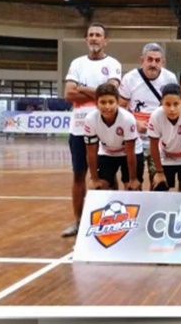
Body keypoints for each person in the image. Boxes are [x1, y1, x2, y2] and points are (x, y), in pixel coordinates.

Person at [62, 22, 122, 237]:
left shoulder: (113, 63)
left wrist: (84, 89)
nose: (95, 38)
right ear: (86, 39)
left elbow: (112, 92)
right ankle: (78, 222)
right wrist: (99, 93)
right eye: (91, 35)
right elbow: (68, 94)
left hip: (106, 128)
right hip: (78, 129)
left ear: (105, 40)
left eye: (99, 35)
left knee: (108, 176)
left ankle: (114, 220)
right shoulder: (77, 63)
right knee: (79, 175)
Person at [119, 43, 178, 188]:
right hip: (134, 139)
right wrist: (135, 122)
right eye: (149, 59)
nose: (153, 64)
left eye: (157, 61)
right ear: (142, 60)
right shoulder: (129, 78)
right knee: (132, 183)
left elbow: (175, 107)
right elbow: (120, 107)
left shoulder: (170, 78)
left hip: (159, 141)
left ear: (162, 62)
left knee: (160, 184)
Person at [83, 82, 143, 191]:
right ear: (96, 103)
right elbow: (91, 152)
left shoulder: (127, 119)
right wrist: (94, 179)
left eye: (111, 102)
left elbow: (130, 152)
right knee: (97, 188)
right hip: (107, 152)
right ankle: (111, 185)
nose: (107, 107)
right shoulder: (90, 119)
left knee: (132, 189)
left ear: (118, 102)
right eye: (103, 102)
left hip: (129, 153)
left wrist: (133, 179)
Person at [147, 84, 181, 192]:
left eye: (176, 104)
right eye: (167, 104)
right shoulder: (156, 116)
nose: (172, 109)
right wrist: (159, 172)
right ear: (162, 102)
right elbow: (153, 145)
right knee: (157, 187)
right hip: (165, 157)